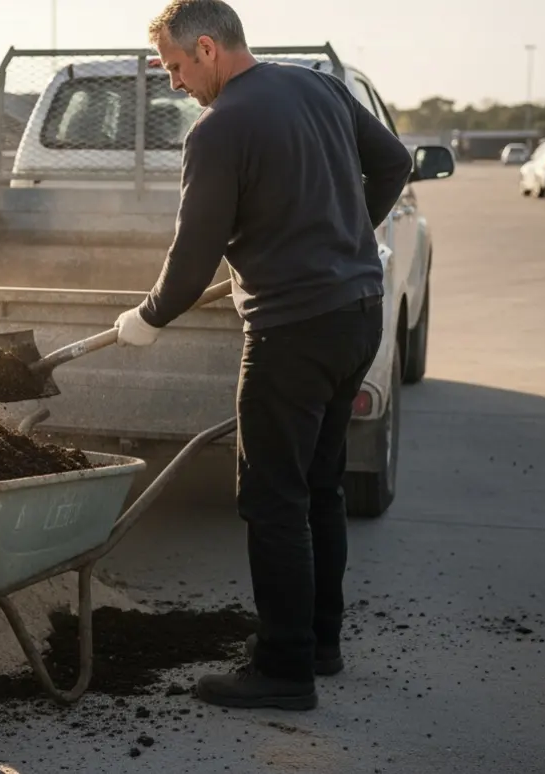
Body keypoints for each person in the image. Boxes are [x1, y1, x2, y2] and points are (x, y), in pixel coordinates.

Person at [114, 0, 414, 710]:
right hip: (355, 316)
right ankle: (320, 644)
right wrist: (341, 237)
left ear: (209, 49)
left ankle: (284, 671)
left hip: (292, 332)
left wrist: (150, 316)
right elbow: (395, 162)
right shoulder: (317, 85)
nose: (175, 83)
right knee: (319, 488)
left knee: (272, 500)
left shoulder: (219, 131)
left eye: (176, 66)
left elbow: (192, 259)